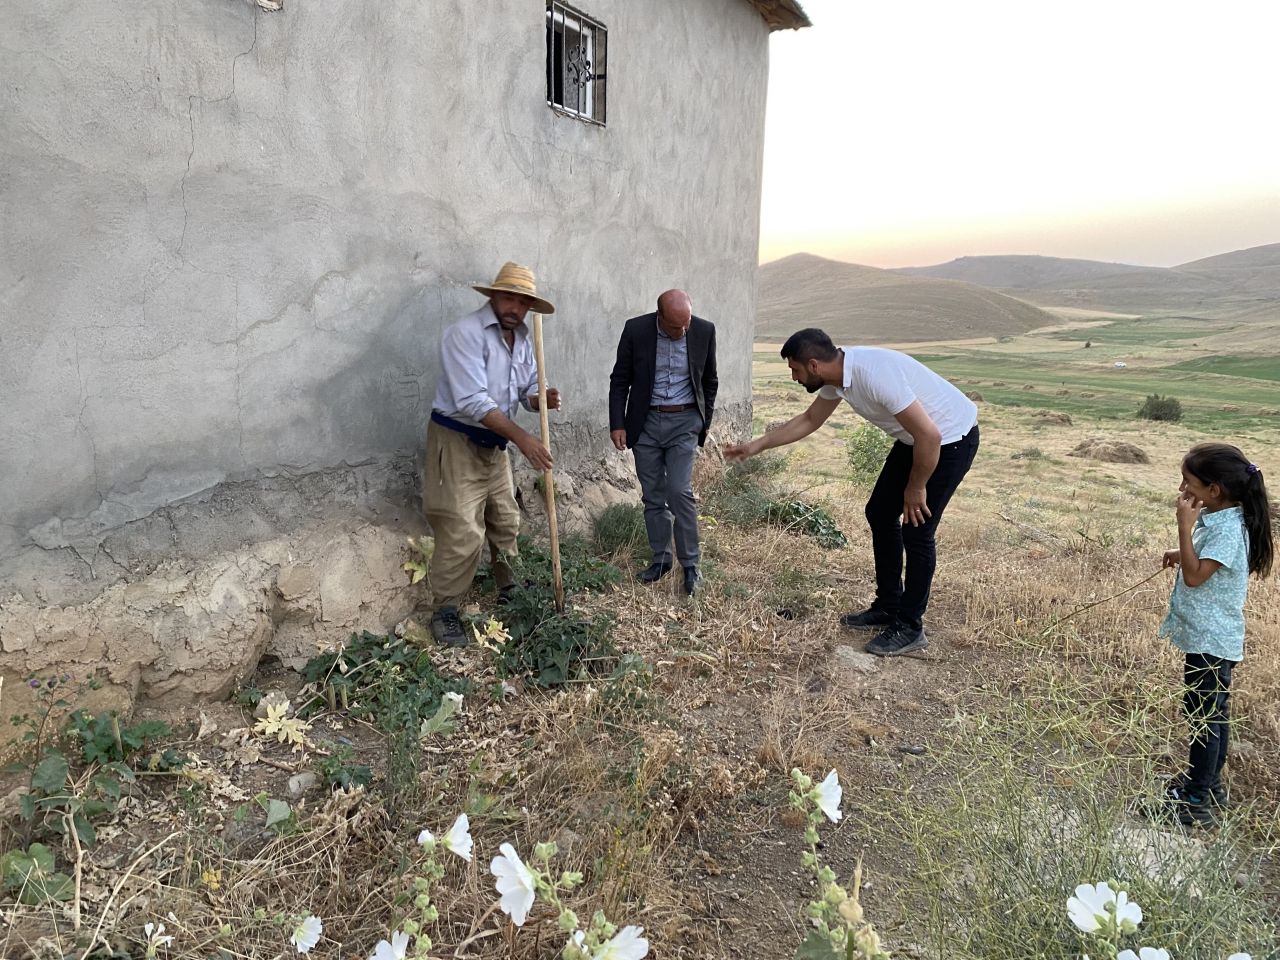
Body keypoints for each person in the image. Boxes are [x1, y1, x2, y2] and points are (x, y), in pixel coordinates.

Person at [723, 328, 978, 656]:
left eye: (795, 370)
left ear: (813, 365)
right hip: (915, 440)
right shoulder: (837, 376)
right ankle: (888, 605)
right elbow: (809, 419)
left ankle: (910, 626)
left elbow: (929, 434)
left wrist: (915, 489)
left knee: (917, 530)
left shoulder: (873, 375)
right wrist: (755, 446)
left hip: (949, 440)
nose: (793, 377)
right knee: (880, 512)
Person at [423, 262, 561, 647]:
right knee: (461, 525)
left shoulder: (523, 337)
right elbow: (471, 402)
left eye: (523, 301)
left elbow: (529, 386)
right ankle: (446, 609)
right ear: (493, 296)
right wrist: (523, 439)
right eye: (508, 297)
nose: (515, 306)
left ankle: (509, 588)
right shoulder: (464, 334)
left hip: (495, 443)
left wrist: (541, 399)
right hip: (457, 438)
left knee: (504, 517)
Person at [1156, 443, 1273, 826]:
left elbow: (1194, 578)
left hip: (1210, 641)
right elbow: (1204, 565)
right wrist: (1182, 549)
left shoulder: (1223, 527)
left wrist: (1184, 527)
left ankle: (1195, 800)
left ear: (1214, 491)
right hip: (1211, 638)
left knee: (1205, 720)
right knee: (1209, 716)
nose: (1182, 488)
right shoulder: (1226, 520)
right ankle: (1208, 786)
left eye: (1188, 482)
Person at [609, 289, 718, 596]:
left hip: (684, 422)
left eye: (686, 324)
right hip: (645, 424)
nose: (683, 331)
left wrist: (703, 424)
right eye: (675, 327)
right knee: (653, 495)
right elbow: (620, 380)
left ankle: (691, 565)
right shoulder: (636, 330)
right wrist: (618, 423)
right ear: (660, 317)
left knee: (679, 491)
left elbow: (710, 381)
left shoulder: (704, 330)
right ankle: (661, 559)